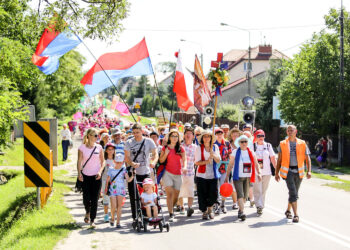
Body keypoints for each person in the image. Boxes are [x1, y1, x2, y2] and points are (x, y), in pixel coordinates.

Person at [275, 125, 311, 223]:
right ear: (287, 132)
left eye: (292, 130)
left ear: (296, 131)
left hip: (299, 172)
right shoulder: (282, 143)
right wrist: (276, 173)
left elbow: (307, 158)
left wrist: (309, 171)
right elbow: (279, 159)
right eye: (288, 130)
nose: (290, 132)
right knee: (293, 192)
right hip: (288, 172)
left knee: (294, 193)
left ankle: (287, 210)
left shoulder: (302, 143)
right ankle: (296, 215)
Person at [124, 123, 159, 222]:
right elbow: (126, 157)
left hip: (145, 172)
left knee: (148, 194)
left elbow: (155, 154)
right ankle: (135, 217)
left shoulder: (148, 141)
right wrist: (132, 163)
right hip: (133, 172)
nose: (136, 134)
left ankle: (147, 214)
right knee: (134, 196)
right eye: (134, 133)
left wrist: (153, 162)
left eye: (138, 132)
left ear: (142, 131)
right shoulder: (129, 142)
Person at [226, 135, 261, 221]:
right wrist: (227, 176)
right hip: (237, 177)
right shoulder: (235, 152)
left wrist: (259, 173)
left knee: (245, 197)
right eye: (242, 142)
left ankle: (240, 209)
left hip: (248, 177)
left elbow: (256, 164)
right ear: (239, 143)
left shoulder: (251, 152)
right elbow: (230, 165)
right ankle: (242, 212)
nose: (244, 143)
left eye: (245, 141)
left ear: (248, 143)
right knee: (240, 195)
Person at [77, 128, 105, 228]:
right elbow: (79, 161)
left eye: (97, 135)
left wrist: (100, 171)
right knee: (86, 198)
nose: (97, 137)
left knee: (95, 199)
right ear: (89, 136)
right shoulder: (82, 148)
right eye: (95, 135)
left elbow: (103, 161)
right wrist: (79, 173)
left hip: (96, 176)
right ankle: (87, 211)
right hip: (85, 176)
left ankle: (92, 220)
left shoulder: (99, 147)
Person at [159, 129, 187, 222]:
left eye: (176, 136)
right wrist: (166, 153)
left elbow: (184, 159)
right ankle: (171, 213)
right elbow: (161, 161)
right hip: (167, 172)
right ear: (169, 137)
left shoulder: (180, 148)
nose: (174, 138)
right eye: (173, 136)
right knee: (169, 193)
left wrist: (185, 167)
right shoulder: (165, 148)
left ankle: (172, 207)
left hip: (178, 173)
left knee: (177, 194)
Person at [194, 130, 221, 220]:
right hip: (201, 175)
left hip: (213, 174)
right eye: (205, 136)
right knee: (202, 194)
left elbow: (218, 160)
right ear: (202, 138)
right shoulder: (199, 148)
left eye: (208, 136)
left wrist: (213, 155)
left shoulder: (215, 147)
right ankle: (204, 211)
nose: (206, 138)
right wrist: (206, 161)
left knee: (213, 193)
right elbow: (197, 162)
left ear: (211, 138)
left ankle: (210, 209)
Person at [252, 129, 276, 215]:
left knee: (264, 190)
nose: (260, 137)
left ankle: (261, 205)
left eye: (262, 136)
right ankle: (259, 206)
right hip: (256, 172)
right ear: (256, 137)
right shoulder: (252, 146)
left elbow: (272, 158)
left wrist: (276, 169)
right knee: (257, 189)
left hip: (267, 172)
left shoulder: (268, 146)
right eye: (258, 136)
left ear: (264, 136)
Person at [105, 153, 133, 228]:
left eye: (120, 162)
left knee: (119, 206)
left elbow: (128, 180)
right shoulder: (111, 169)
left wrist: (133, 176)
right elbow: (107, 180)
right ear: (114, 161)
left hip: (121, 190)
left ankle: (118, 222)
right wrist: (105, 189)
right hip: (112, 190)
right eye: (117, 162)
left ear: (123, 162)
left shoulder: (124, 170)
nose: (119, 164)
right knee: (113, 206)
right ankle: (112, 218)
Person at [178, 127, 196, 217]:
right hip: (179, 172)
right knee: (179, 191)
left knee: (190, 191)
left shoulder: (196, 147)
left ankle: (189, 208)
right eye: (187, 133)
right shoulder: (180, 147)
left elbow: (197, 161)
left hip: (190, 173)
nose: (188, 135)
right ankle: (182, 206)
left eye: (190, 133)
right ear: (184, 135)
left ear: (193, 136)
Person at [214, 128, 232, 214]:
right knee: (215, 188)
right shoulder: (213, 144)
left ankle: (223, 204)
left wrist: (229, 165)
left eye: (221, 133)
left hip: (224, 169)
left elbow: (230, 155)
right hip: (214, 169)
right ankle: (216, 205)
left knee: (224, 187)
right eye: (217, 133)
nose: (219, 134)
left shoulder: (227, 143)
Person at [101, 143, 115, 223]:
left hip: (115, 182)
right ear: (106, 150)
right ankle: (106, 215)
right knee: (106, 198)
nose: (111, 151)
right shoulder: (103, 160)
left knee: (114, 198)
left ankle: (113, 215)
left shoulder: (116, 160)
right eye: (109, 149)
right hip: (105, 181)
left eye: (112, 149)